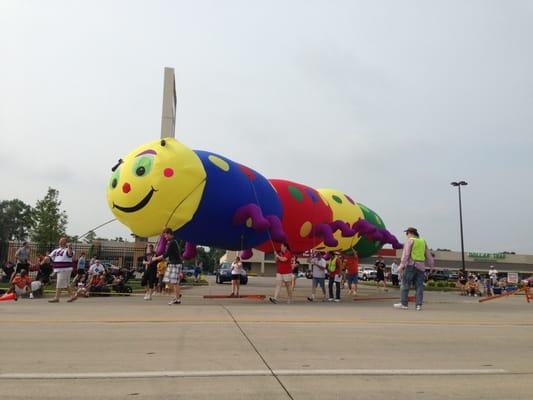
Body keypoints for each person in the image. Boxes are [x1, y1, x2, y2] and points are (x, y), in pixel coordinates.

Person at [394, 227, 434, 311]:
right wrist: (431, 266)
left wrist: (401, 266)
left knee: (405, 284)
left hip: (411, 265)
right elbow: (428, 255)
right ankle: (418, 305)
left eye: (407, 234)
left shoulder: (410, 241)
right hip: (421, 267)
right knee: (419, 286)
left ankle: (404, 304)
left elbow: (406, 254)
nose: (406, 236)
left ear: (410, 233)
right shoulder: (423, 241)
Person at [155, 228, 182, 305]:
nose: (165, 237)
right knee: (170, 281)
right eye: (164, 236)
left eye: (166, 235)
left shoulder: (172, 242)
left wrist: (155, 258)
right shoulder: (171, 242)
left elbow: (165, 255)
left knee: (175, 282)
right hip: (172, 264)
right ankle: (177, 296)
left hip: (175, 264)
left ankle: (177, 298)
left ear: (170, 234)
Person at [48, 237, 76, 303]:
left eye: (62, 241)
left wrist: (69, 247)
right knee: (65, 284)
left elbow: (70, 254)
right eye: (60, 240)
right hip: (58, 269)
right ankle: (72, 296)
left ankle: (56, 298)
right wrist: (45, 259)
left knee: (59, 283)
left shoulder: (68, 250)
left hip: (65, 269)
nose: (60, 242)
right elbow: (49, 257)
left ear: (65, 242)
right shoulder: (56, 250)